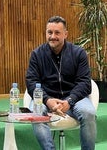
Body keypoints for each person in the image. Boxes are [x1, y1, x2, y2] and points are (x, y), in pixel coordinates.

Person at [26, 16, 96, 150]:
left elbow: (84, 83)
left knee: (89, 113)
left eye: (57, 32)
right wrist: (47, 100)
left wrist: (69, 100)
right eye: (49, 32)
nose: (53, 36)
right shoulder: (36, 54)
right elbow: (31, 82)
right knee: (36, 112)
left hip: (74, 98)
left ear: (66, 34)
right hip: (47, 98)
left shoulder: (79, 53)